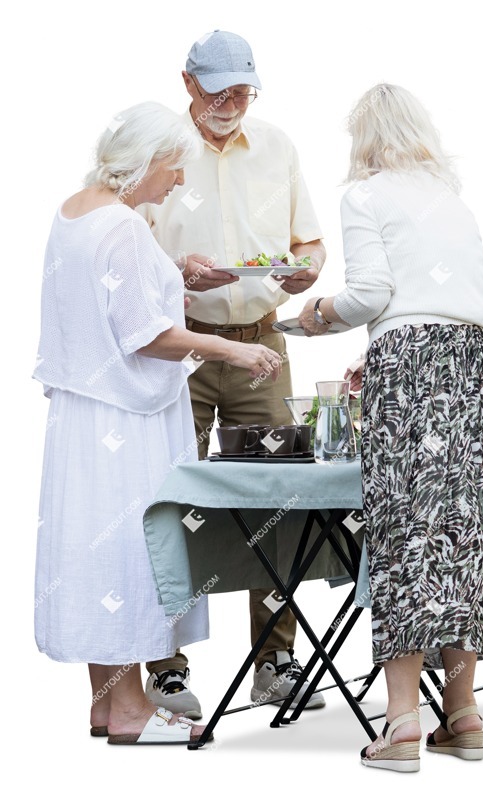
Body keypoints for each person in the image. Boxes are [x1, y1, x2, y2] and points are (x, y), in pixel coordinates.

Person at [298, 84, 483, 772]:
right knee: (467, 530)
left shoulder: (365, 195)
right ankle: (463, 715)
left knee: (409, 529)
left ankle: (403, 721)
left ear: (363, 141)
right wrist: (373, 348)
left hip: (415, 366)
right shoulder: (454, 204)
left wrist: (314, 315)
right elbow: (446, 301)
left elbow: (375, 296)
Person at [33, 102, 283, 744]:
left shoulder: (75, 211)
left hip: (85, 420)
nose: (177, 182)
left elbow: (103, 298)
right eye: (173, 167)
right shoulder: (122, 224)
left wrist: (172, 272)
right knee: (129, 550)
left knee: (94, 548)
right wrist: (233, 348)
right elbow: (145, 336)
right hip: (126, 423)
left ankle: (104, 701)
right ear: (145, 161)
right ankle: (129, 714)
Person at [142, 30, 327, 715]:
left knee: (276, 500)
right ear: (188, 83)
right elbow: (119, 245)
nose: (230, 101)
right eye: (217, 87)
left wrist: (308, 267)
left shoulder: (277, 145)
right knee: (168, 501)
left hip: (261, 347)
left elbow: (307, 243)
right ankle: (163, 666)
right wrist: (177, 271)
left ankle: (275, 658)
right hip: (178, 350)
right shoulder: (157, 150)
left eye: (242, 88)